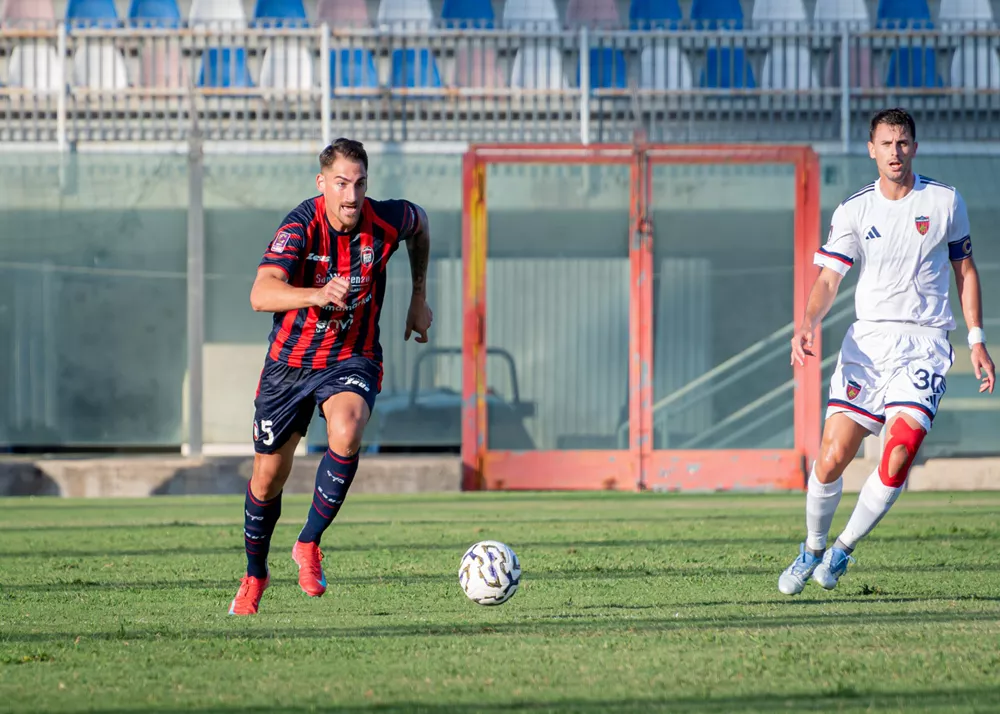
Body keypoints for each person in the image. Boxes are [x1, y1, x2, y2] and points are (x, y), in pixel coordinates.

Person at [778, 108, 995, 595]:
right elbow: (830, 278)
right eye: (886, 144)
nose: (895, 152)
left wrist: (976, 340)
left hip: (925, 344)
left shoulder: (944, 201)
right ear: (871, 149)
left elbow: (965, 271)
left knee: (898, 453)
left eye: (903, 143)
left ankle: (842, 550)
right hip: (869, 344)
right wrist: (807, 323)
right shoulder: (854, 210)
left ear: (914, 147)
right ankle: (812, 547)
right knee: (832, 458)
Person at [229, 138, 433, 615]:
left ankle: (308, 544)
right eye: (341, 183)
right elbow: (261, 294)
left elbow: (421, 224)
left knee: (348, 427)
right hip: (290, 365)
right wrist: (316, 294)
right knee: (267, 479)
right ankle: (255, 573)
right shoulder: (300, 226)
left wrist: (418, 296)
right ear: (322, 183)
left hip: (351, 356)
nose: (351, 195)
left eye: (360, 183)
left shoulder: (385, 220)